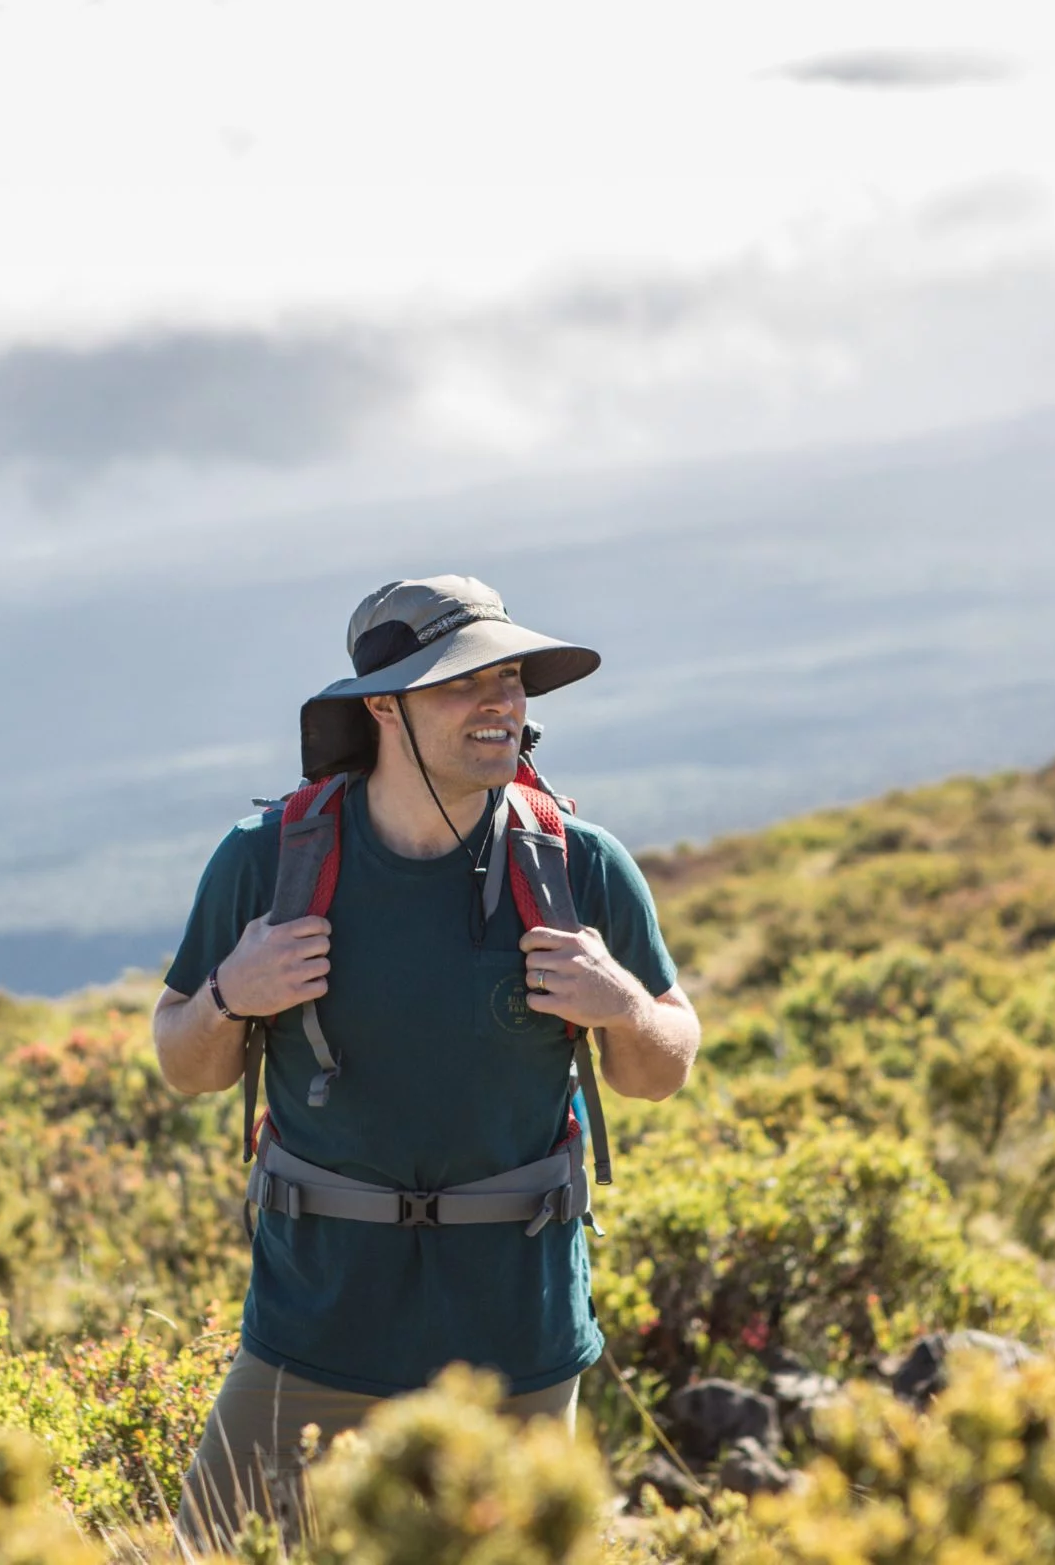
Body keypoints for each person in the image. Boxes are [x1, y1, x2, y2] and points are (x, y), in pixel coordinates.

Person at [153, 574, 700, 1544]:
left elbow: (660, 1068)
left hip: (518, 1338)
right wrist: (233, 991)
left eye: (513, 681)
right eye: (462, 683)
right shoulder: (266, 860)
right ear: (382, 707)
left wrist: (619, 1005)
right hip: (314, 1324)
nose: (501, 704)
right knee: (207, 1553)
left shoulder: (578, 862)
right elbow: (184, 1063)